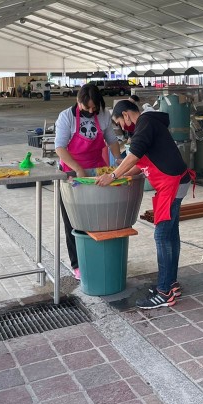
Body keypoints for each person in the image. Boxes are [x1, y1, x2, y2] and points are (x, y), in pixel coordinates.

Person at [96, 100, 194, 309]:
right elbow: (139, 166)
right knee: (170, 234)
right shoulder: (147, 124)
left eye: (119, 122)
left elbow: (133, 157)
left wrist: (113, 175)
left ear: (127, 115)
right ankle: (170, 283)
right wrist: (118, 176)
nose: (122, 127)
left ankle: (164, 293)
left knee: (162, 235)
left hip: (172, 184)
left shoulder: (145, 123)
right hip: (176, 182)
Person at [55, 84, 123, 280]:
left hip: (97, 171)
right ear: (79, 102)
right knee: (74, 220)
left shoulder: (103, 114)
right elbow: (60, 148)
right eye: (87, 108)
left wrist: (118, 159)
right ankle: (77, 264)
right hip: (72, 171)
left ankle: (97, 256)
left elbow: (111, 140)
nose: (91, 111)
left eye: (95, 108)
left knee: (98, 216)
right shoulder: (66, 117)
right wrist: (77, 169)